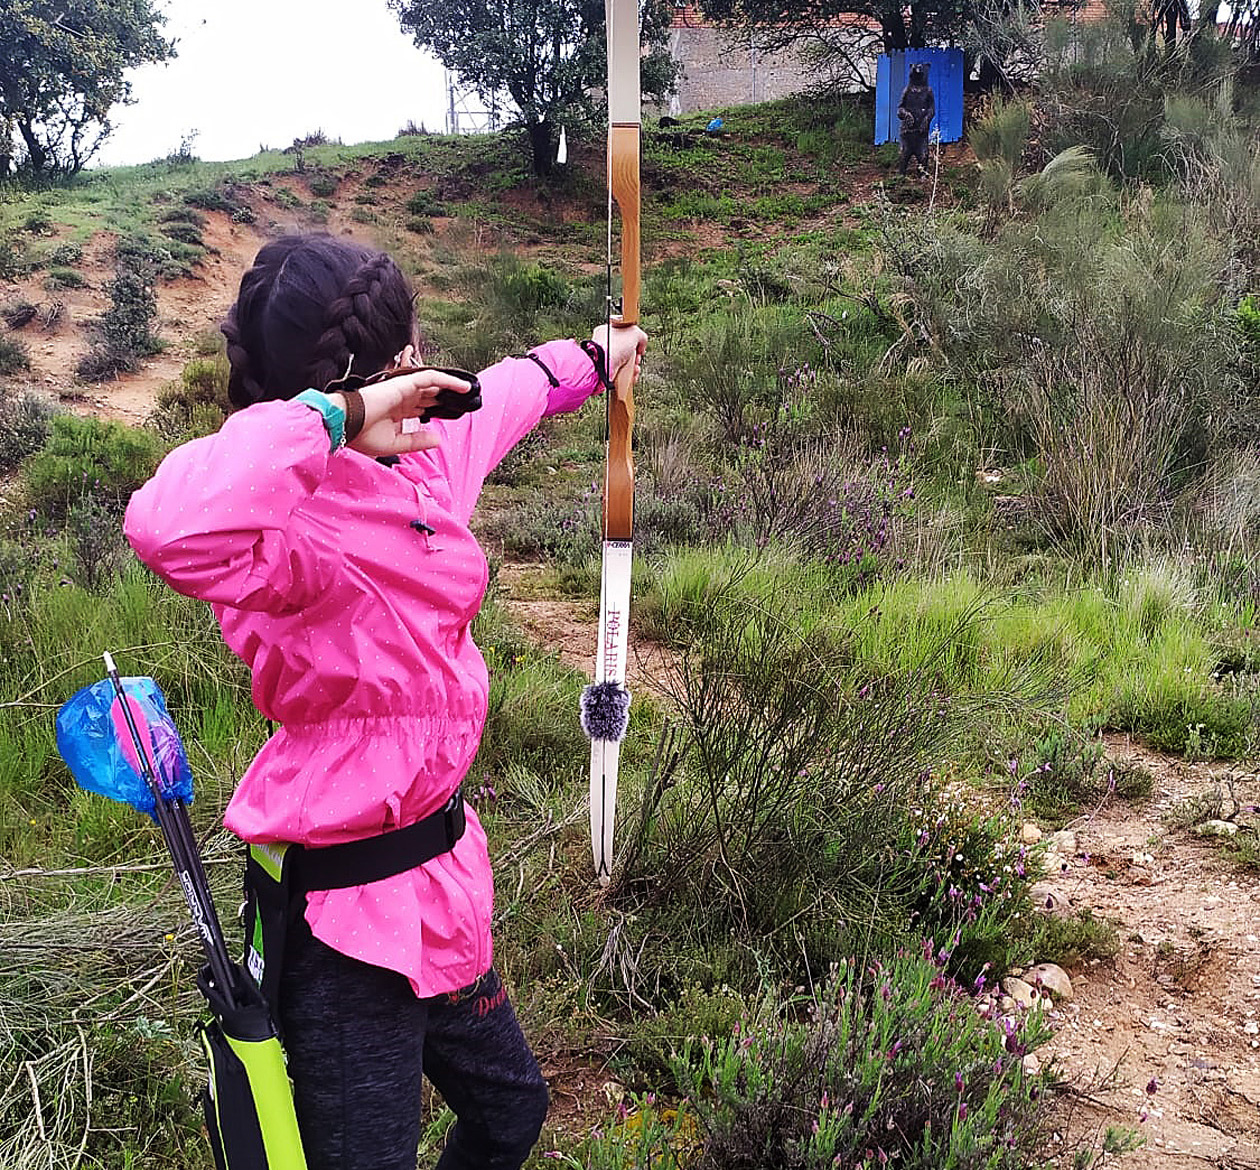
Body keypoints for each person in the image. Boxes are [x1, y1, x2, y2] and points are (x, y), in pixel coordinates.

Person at [123, 234, 647, 1170]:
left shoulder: (427, 459)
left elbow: (506, 393)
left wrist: (592, 359)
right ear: (352, 387)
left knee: (509, 1115)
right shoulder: (280, 524)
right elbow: (164, 526)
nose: (422, 378)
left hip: (438, 882)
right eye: (404, 364)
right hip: (341, 927)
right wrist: (340, 416)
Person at [897, 63, 936, 177]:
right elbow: (899, 108)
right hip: (907, 133)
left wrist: (926, 120)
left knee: (923, 156)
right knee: (903, 155)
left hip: (921, 133)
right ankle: (901, 177)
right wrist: (906, 114)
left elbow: (932, 110)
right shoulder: (907, 91)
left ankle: (922, 176)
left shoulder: (928, 91)